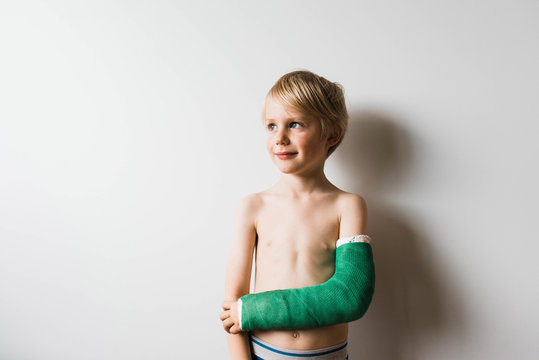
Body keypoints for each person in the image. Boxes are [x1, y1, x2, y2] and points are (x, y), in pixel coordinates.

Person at [220, 70, 370, 359]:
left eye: (295, 124)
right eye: (271, 125)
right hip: (266, 353)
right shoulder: (253, 207)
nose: (280, 138)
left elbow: (351, 295)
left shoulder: (348, 205)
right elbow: (233, 309)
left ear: (332, 134)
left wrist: (254, 312)